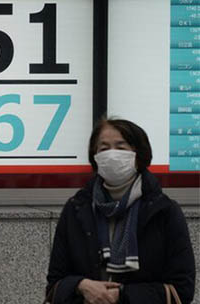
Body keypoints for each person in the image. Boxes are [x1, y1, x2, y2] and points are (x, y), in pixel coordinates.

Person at [45, 118, 195, 304]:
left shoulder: (164, 211)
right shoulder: (76, 209)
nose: (112, 155)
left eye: (120, 147)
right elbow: (55, 284)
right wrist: (81, 285)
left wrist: (122, 295)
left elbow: (182, 289)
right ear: (95, 156)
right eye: (104, 148)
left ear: (138, 156)